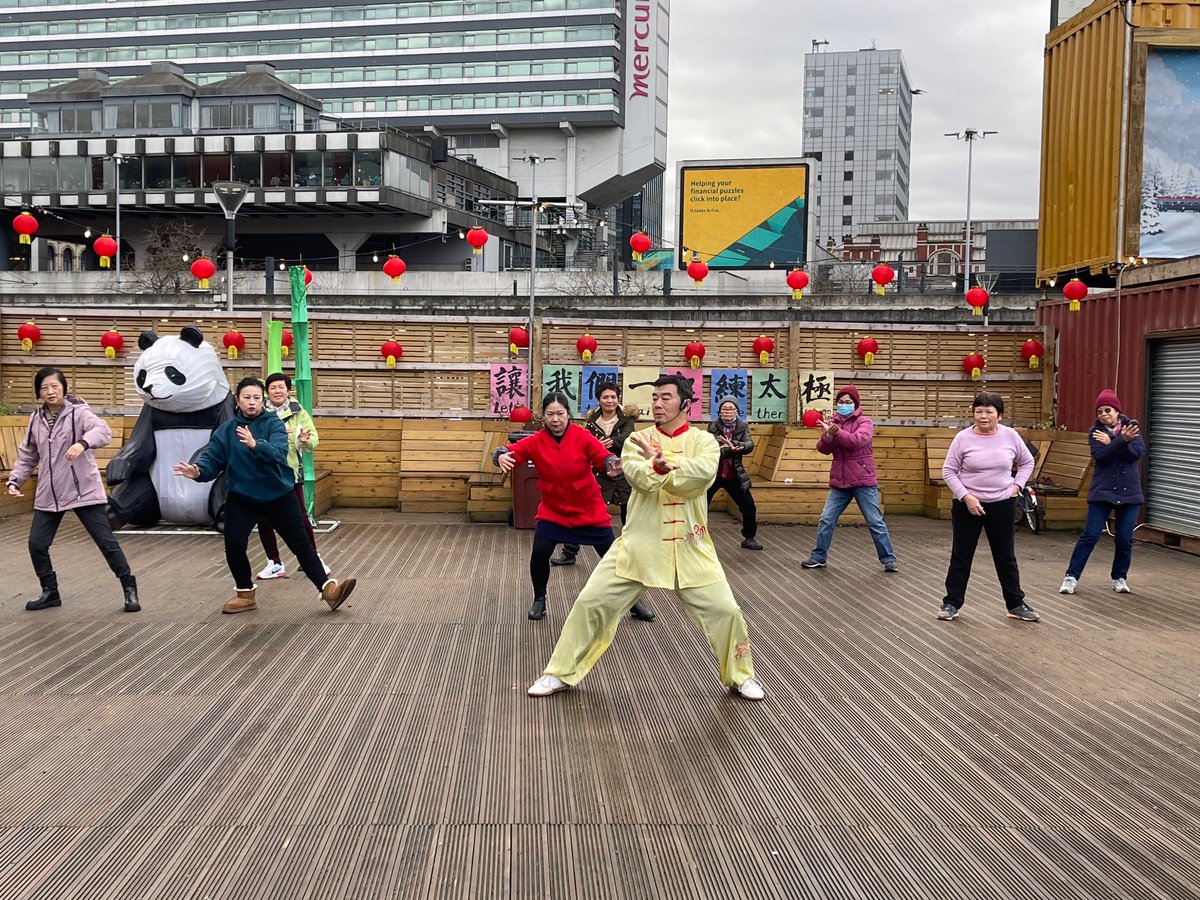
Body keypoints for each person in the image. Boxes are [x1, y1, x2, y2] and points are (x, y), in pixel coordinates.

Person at [527, 375, 764, 701]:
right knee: (590, 602)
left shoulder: (705, 441)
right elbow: (638, 478)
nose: (657, 403)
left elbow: (702, 475)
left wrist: (669, 464)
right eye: (654, 397)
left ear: (685, 403)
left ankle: (741, 675)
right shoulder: (639, 439)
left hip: (691, 545)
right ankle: (560, 672)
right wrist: (655, 465)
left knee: (726, 611)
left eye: (665, 397)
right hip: (640, 542)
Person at [173, 377, 356, 614]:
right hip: (243, 497)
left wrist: (254, 444)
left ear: (263, 401)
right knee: (234, 545)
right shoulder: (226, 430)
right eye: (246, 397)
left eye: (256, 398)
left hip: (279, 494)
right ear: (237, 400)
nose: (251, 402)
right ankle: (245, 594)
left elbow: (279, 453)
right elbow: (213, 458)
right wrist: (197, 470)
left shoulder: (274, 423)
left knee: (300, 544)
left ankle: (328, 589)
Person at [496, 391, 655, 622]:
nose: (555, 419)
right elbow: (509, 453)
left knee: (613, 558)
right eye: (550, 414)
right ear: (544, 417)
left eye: (560, 414)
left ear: (568, 414)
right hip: (553, 512)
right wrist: (500, 455)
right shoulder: (536, 441)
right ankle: (539, 599)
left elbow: (603, 456)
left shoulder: (583, 436)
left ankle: (633, 602)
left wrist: (612, 463)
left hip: (589, 509)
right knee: (540, 553)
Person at [6, 367, 141, 613]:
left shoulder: (79, 412)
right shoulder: (36, 419)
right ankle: (50, 592)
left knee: (106, 542)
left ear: (64, 388)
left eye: (55, 386)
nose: (50, 391)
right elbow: (27, 455)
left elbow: (102, 431)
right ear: (38, 392)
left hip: (83, 492)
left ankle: (129, 588)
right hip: (50, 493)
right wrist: (15, 480)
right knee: (37, 544)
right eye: (45, 387)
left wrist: (82, 443)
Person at [938, 392, 1038, 622]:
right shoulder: (963, 438)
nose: (983, 416)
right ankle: (951, 603)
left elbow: (1027, 461)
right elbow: (948, 471)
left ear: (999, 416)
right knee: (961, 555)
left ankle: (1015, 604)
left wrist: (1016, 487)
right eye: (978, 411)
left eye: (989, 412)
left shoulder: (1010, 436)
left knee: (1005, 556)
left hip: (1002, 503)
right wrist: (966, 497)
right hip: (967, 505)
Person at [801, 385, 897, 572]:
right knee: (826, 519)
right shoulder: (831, 422)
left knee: (875, 521)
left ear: (855, 404)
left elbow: (857, 441)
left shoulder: (865, 422)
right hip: (840, 480)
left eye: (848, 402)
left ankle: (888, 559)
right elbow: (823, 449)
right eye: (841, 402)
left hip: (863, 480)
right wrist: (828, 436)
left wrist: (837, 433)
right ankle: (819, 556)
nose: (844, 405)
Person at [1060, 389, 1145, 596]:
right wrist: (1120, 442)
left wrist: (1117, 442)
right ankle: (1071, 577)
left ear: (1117, 411)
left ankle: (1119, 577)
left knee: (1124, 539)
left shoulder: (1132, 429)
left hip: (1129, 493)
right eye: (1099, 411)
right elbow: (1102, 456)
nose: (1104, 414)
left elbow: (1136, 454)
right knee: (1090, 535)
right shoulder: (1095, 432)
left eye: (1108, 410)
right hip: (1102, 492)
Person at [551, 381, 636, 566]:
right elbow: (586, 442)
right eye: (605, 397)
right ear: (599, 399)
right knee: (581, 511)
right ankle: (569, 552)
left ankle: (632, 555)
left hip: (623, 471)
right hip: (599, 472)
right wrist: (597, 447)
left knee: (628, 515)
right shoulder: (591, 420)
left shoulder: (627, 418)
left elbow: (626, 439)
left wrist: (602, 444)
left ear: (618, 398)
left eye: (613, 396)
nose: (610, 400)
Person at [255, 372, 328, 580]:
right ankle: (274, 563)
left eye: (281, 387)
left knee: (301, 517)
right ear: (267, 392)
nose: (277, 391)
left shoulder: (298, 412)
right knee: (264, 519)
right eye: (273, 388)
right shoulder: (260, 412)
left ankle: (313, 558)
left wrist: (304, 440)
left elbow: (313, 439)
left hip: (290, 472)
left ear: (288, 390)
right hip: (264, 474)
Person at [706, 396, 763, 550]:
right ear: (719, 411)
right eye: (724, 408)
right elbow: (711, 449)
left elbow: (749, 445)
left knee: (749, 506)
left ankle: (749, 538)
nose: (728, 411)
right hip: (713, 474)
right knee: (700, 506)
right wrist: (729, 450)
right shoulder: (713, 426)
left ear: (737, 411)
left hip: (734, 475)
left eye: (731, 408)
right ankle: (697, 537)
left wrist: (736, 445)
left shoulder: (742, 426)